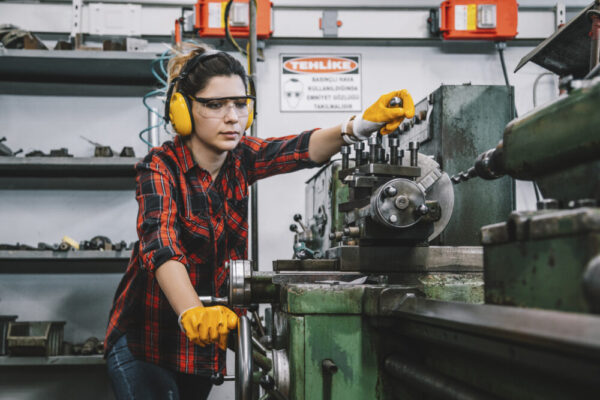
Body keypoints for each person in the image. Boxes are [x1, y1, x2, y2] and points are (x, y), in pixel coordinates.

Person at [104, 43, 414, 400]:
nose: (233, 116)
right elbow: (161, 243)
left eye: (239, 103)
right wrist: (191, 310)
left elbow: (300, 148)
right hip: (146, 341)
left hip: (202, 346)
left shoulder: (242, 159)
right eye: (215, 104)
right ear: (182, 110)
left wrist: (359, 126)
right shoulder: (160, 166)